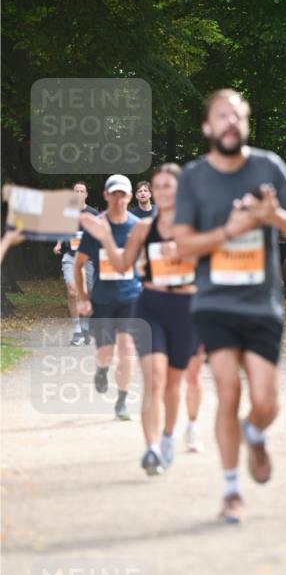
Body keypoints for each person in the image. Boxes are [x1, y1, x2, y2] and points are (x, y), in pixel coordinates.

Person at [173, 88, 286, 523]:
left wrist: (275, 217)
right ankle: (231, 489)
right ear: (208, 127)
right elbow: (183, 245)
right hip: (214, 303)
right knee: (228, 392)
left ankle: (255, 432)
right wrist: (228, 231)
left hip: (262, 304)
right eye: (222, 115)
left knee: (267, 401)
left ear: (246, 123)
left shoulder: (268, 166)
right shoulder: (193, 178)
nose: (230, 121)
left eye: (238, 115)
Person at [82, 165, 203, 474]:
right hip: (151, 306)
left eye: (169, 186)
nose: (163, 192)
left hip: (186, 307)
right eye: (158, 187)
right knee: (154, 379)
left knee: (173, 385)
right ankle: (150, 449)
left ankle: (166, 437)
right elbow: (122, 263)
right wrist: (107, 237)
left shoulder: (196, 226)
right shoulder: (142, 230)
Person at [74, 174, 141, 421]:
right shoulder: (95, 227)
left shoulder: (137, 226)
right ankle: (102, 370)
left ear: (130, 197)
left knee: (127, 349)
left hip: (131, 297)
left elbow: (145, 263)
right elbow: (78, 264)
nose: (118, 199)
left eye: (123, 194)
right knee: (106, 353)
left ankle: (121, 402)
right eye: (114, 194)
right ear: (106, 196)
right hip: (102, 298)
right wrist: (82, 296)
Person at [53, 181, 98, 345]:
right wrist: (58, 243)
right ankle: (77, 331)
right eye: (76, 191)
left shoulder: (93, 212)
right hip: (70, 257)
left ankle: (86, 328)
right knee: (73, 293)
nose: (79, 194)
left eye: (82, 191)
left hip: (89, 259)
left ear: (86, 195)